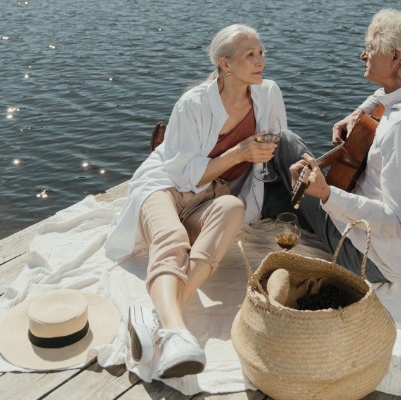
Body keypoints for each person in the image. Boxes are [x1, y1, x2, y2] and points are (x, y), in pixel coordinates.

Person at [104, 24, 288, 378]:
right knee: (171, 240)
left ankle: (157, 317)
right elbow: (182, 173)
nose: (261, 60)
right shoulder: (193, 104)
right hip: (165, 186)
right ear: (226, 64)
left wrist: (266, 153)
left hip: (215, 194)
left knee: (233, 209)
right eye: (250, 54)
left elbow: (274, 141)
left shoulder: (268, 93)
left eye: (262, 51)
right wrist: (239, 152)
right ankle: (175, 330)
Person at [266, 8, 401, 284]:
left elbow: (397, 222)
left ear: (395, 57)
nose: (362, 55)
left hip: (373, 258)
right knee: (286, 186)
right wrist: (359, 112)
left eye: (370, 47)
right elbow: (384, 94)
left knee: (285, 143)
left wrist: (327, 194)